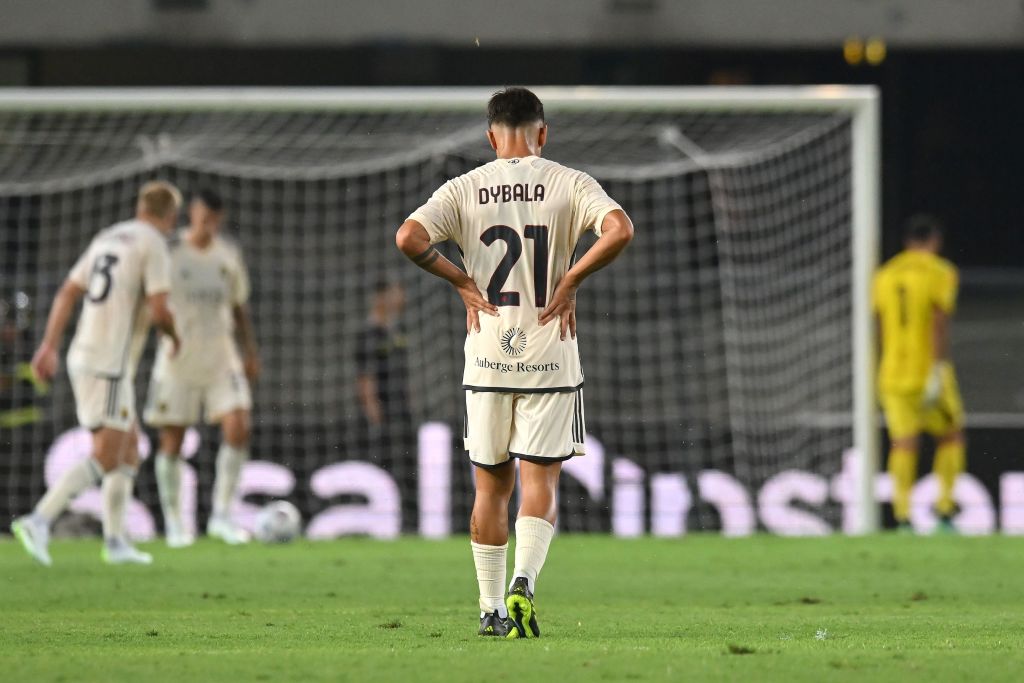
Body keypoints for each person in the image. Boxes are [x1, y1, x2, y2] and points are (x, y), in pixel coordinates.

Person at [396, 87, 633, 638]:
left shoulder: (464, 188)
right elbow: (620, 230)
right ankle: (523, 581)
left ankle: (488, 609)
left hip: (487, 357)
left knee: (489, 489)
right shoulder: (571, 183)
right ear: (542, 133)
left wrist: (459, 280)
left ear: (490, 136)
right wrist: (572, 278)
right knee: (539, 482)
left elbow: (408, 237)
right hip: (550, 353)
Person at [11, 181, 181, 566]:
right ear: (170, 216)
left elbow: (67, 292)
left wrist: (49, 345)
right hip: (107, 365)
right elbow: (159, 309)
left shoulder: (107, 237)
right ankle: (40, 519)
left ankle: (116, 541)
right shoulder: (153, 243)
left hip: (88, 356)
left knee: (130, 448)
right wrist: (175, 338)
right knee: (107, 454)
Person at [144, 189, 260, 547]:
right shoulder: (170, 250)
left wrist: (250, 350)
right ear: (192, 213)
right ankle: (176, 524)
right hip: (178, 359)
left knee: (239, 425)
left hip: (222, 355)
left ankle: (222, 517)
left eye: (215, 218)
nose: (208, 223)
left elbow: (239, 306)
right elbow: (151, 300)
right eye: (203, 215)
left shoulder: (228, 254)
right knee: (172, 439)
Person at [873, 214, 966, 533]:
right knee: (951, 435)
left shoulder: (885, 274)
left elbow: (880, 326)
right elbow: (939, 320)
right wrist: (939, 368)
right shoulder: (941, 272)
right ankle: (944, 510)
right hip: (927, 371)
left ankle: (902, 516)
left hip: (891, 374)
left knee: (903, 443)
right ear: (934, 242)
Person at [355, 279, 416, 530]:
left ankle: (406, 524)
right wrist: (374, 415)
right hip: (383, 414)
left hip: (402, 414)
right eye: (394, 293)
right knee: (385, 468)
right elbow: (365, 378)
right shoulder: (368, 334)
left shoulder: (397, 332)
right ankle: (381, 523)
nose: (400, 297)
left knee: (405, 469)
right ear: (380, 298)